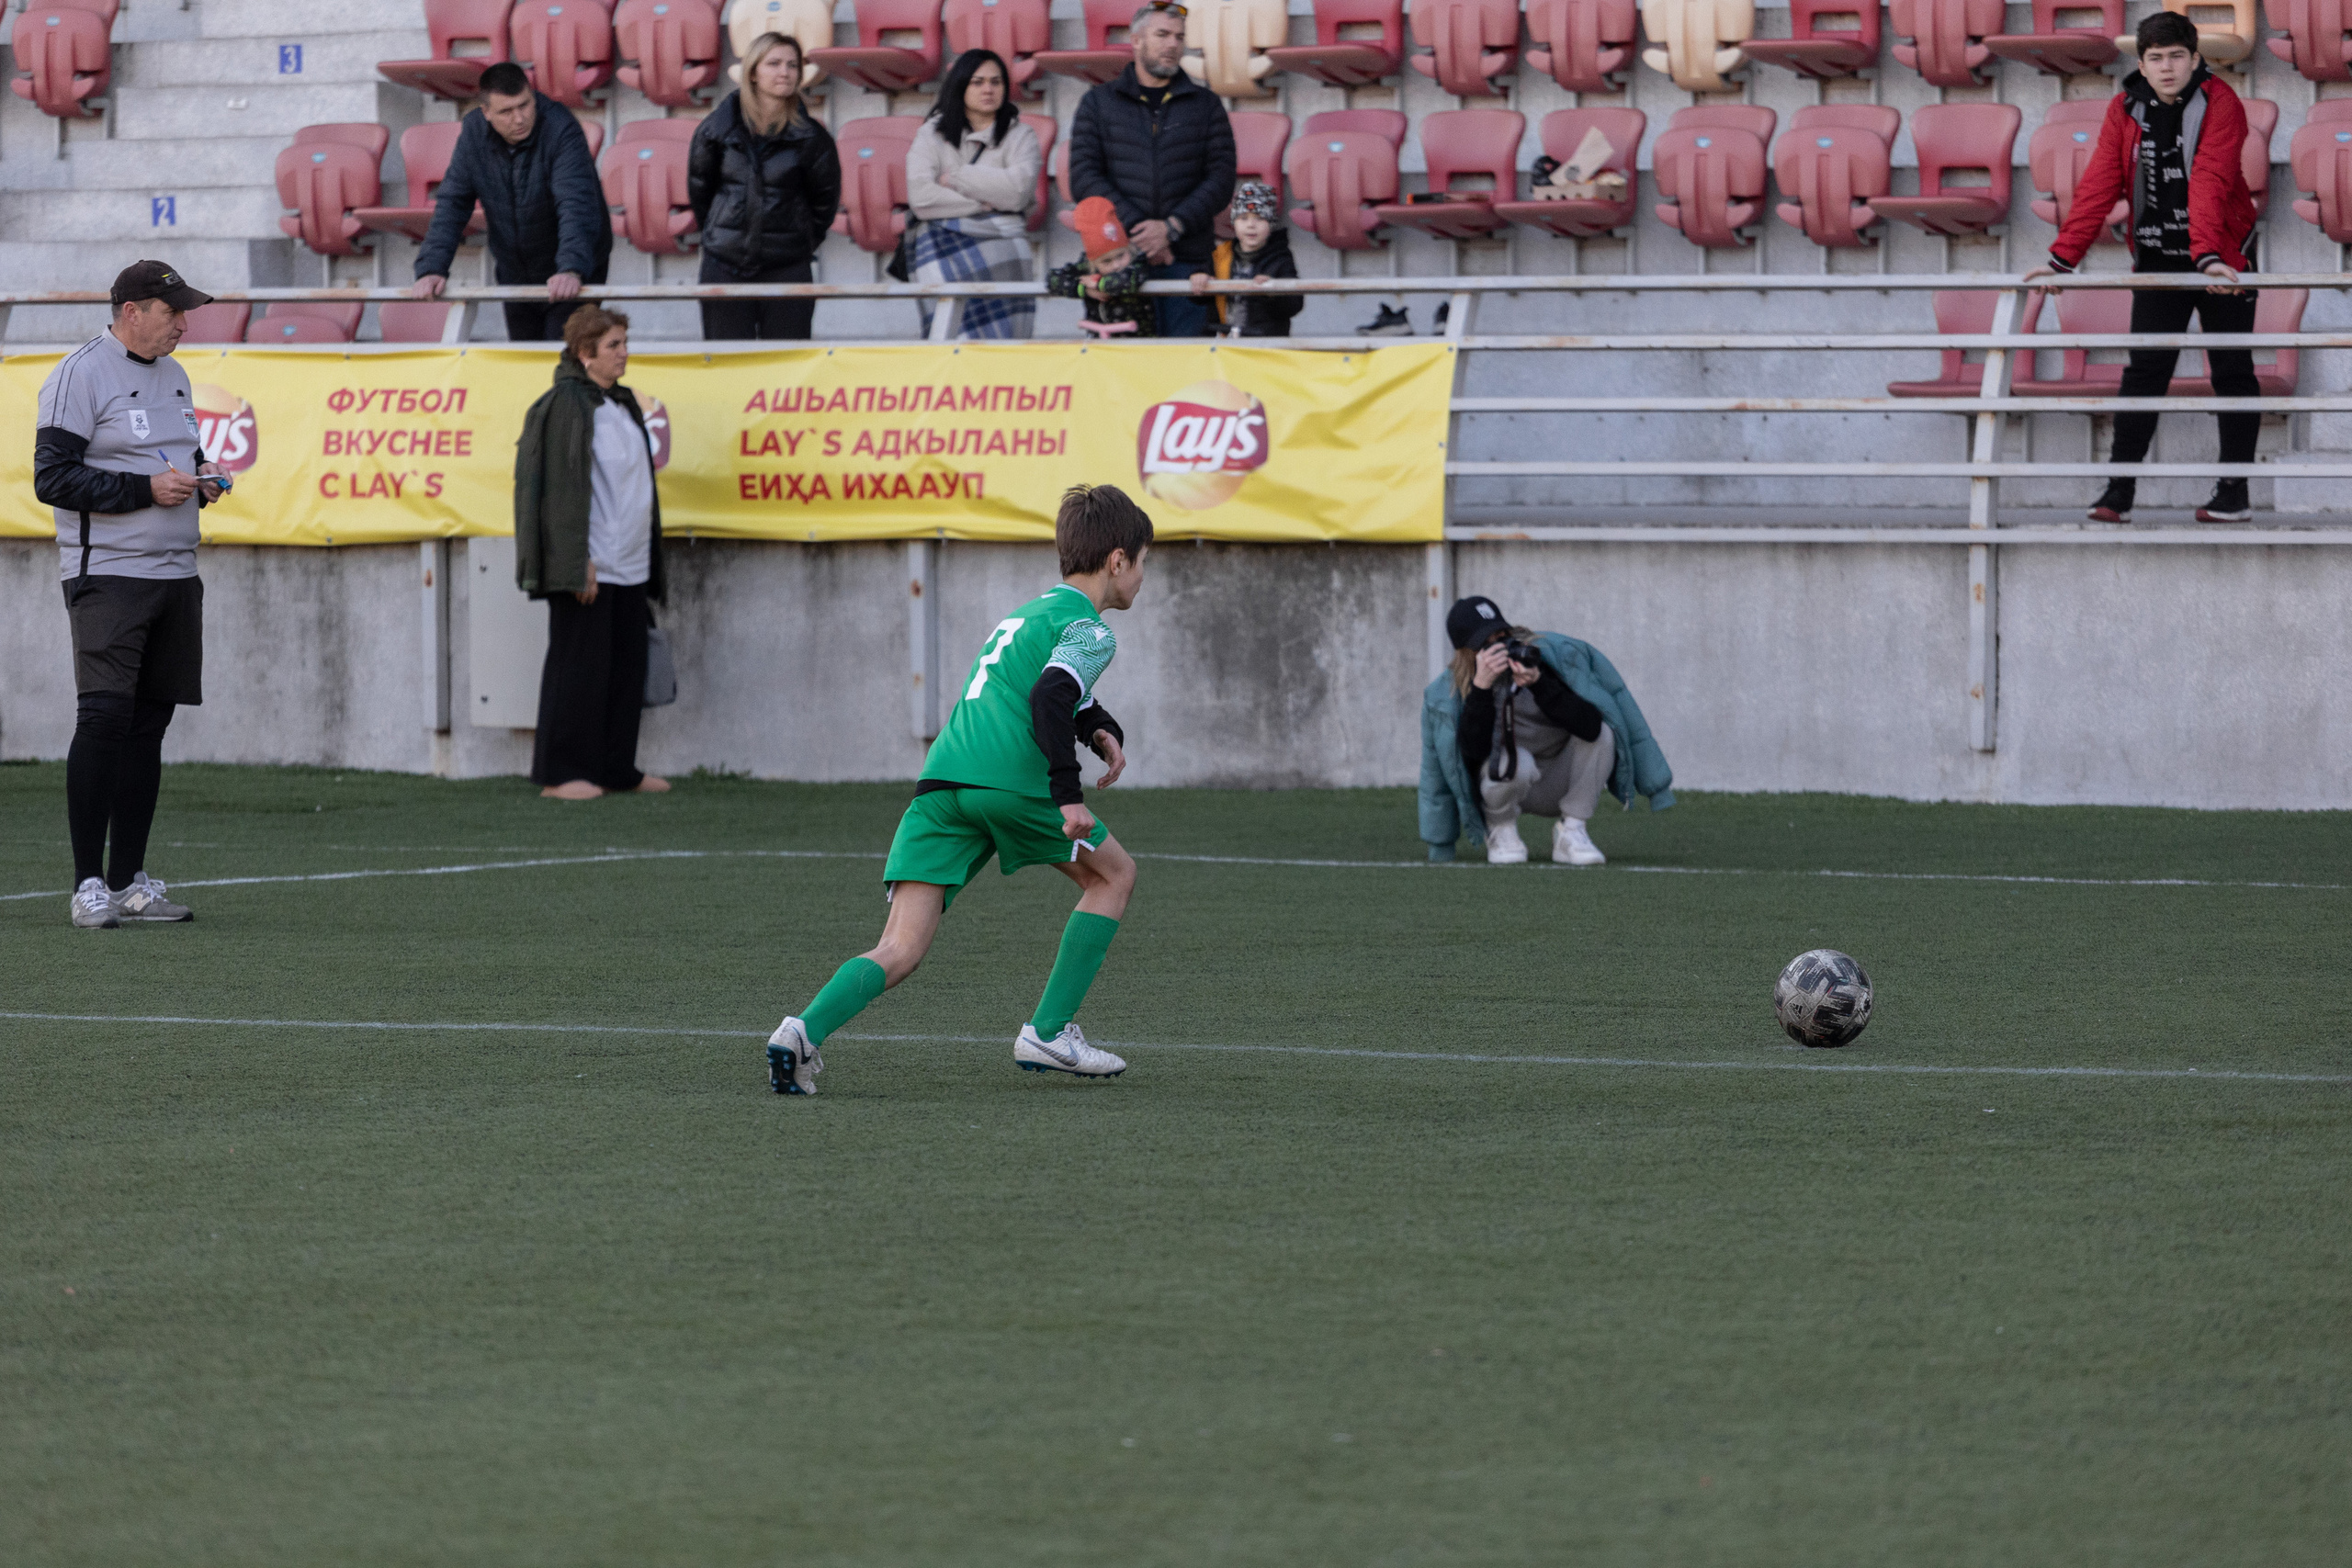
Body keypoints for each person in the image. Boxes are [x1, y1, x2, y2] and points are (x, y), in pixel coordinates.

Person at [765, 484, 1155, 1096]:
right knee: (1115, 876)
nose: (1141, 575)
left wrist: (1098, 727)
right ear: (1115, 560)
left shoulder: (1026, 614)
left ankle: (799, 1032)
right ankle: (1050, 1031)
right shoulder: (1091, 630)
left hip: (942, 783)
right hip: (1007, 784)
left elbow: (1047, 688)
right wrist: (1068, 795)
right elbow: (1051, 693)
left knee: (900, 946)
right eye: (1141, 561)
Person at [34, 260, 229, 929]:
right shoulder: (79, 374)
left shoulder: (175, 376)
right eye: (172, 310)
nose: (184, 321)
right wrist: (144, 493)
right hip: (109, 578)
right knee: (105, 721)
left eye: (185, 311)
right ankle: (88, 883)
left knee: (149, 728)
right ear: (130, 311)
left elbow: (179, 458)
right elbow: (52, 480)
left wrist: (203, 478)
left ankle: (129, 881)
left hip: (177, 576)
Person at [2024, 13, 2261, 525]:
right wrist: (2061, 259)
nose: (2168, 67)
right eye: (2156, 58)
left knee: (2233, 372)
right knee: (2144, 374)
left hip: (2223, 258)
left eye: (2178, 56)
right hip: (2157, 259)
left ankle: (2234, 492)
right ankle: (2119, 491)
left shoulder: (2223, 103)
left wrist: (2208, 257)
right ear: (2142, 64)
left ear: (2196, 59)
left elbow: (2211, 179)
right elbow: (2099, 185)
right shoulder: (2124, 108)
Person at [513, 306, 671, 801]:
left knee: (625, 670)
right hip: (592, 563)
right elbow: (558, 492)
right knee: (577, 669)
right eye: (613, 347)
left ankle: (615, 767)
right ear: (586, 354)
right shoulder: (565, 406)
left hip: (630, 564)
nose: (625, 354)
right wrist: (575, 561)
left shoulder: (620, 404)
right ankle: (561, 774)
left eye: (625, 343)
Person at [1419, 596, 1675, 866]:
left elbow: (1590, 727)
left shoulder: (1547, 660)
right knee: (1517, 762)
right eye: (1486, 641)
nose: (1499, 647)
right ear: (1467, 652)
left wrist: (1539, 683)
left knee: (1603, 734)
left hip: (1557, 779)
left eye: (1502, 635)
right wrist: (1481, 689)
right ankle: (1501, 829)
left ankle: (1572, 833)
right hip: (1503, 782)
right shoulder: (1446, 694)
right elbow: (1469, 757)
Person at [1067, 0, 1236, 339]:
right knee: (1123, 377)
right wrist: (1141, 232)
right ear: (1136, 40)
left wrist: (1171, 228)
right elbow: (1084, 177)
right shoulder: (1098, 103)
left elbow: (1221, 179)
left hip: (1187, 263)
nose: (1173, 44)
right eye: (1162, 34)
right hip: (1118, 263)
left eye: (1179, 37)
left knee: (1185, 371)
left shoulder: (1206, 105)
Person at [412, 61, 611, 344]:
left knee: (560, 367)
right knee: (524, 363)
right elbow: (452, 202)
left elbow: (575, 203)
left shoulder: (561, 127)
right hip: (515, 271)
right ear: (486, 113)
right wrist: (431, 268)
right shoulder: (473, 133)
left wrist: (570, 268)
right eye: (506, 111)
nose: (519, 119)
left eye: (525, 105)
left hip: (573, 267)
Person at [687, 32, 842, 342]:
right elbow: (700, 190)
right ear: (753, 73)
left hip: (788, 266)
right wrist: (724, 233)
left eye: (792, 65)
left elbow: (824, 201)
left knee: (786, 371)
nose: (784, 72)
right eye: (773, 64)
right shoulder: (715, 130)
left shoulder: (812, 138)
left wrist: (798, 239)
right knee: (727, 367)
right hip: (724, 264)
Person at [906, 49, 1044, 340]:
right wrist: (983, 203)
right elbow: (921, 198)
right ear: (961, 85)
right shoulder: (931, 133)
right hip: (944, 248)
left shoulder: (1022, 136)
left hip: (1005, 251)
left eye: (996, 82)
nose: (988, 89)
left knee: (1004, 353)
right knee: (950, 346)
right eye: (978, 82)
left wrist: (955, 178)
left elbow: (1018, 193)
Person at [1188, 180, 1302, 338]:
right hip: (1225, 343)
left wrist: (1272, 292)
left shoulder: (1280, 258)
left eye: (1259, 218)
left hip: (1265, 347)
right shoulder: (1220, 254)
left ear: (1271, 224)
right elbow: (1197, 297)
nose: (1251, 225)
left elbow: (1294, 305)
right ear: (1234, 223)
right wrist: (1199, 277)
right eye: (1243, 218)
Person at [1046, 197, 1156, 337]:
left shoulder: (1137, 264)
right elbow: (1052, 279)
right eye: (1107, 261)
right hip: (1098, 348)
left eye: (1121, 255)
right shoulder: (1086, 267)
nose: (1116, 265)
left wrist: (1099, 284)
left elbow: (1126, 281)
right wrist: (1084, 289)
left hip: (1140, 347)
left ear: (1128, 249)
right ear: (1093, 262)